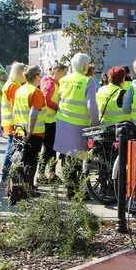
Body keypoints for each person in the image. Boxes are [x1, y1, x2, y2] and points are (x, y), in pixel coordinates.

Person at [53, 53, 99, 198]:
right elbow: (91, 105)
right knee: (79, 159)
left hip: (62, 122)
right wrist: (95, 124)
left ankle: (69, 188)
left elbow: (59, 100)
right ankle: (79, 190)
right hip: (79, 125)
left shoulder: (64, 80)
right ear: (85, 66)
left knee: (66, 157)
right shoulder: (88, 81)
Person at [12, 66, 47, 195]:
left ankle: (21, 188)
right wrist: (30, 131)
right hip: (33, 133)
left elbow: (15, 110)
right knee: (31, 162)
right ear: (36, 76)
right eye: (40, 75)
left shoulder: (20, 90)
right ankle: (28, 189)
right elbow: (33, 113)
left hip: (19, 131)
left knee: (22, 161)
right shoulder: (36, 92)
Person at [0, 62, 26, 188]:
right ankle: (4, 178)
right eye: (24, 72)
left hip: (10, 122)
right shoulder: (13, 86)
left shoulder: (11, 84)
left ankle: (5, 178)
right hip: (13, 122)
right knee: (11, 151)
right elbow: (15, 105)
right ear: (19, 73)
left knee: (11, 150)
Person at [39, 62, 66, 182]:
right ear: (57, 72)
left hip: (53, 120)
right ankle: (41, 174)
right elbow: (45, 99)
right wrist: (57, 107)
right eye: (64, 73)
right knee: (48, 148)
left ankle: (51, 173)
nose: (65, 75)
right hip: (48, 121)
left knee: (53, 148)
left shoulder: (56, 83)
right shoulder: (50, 84)